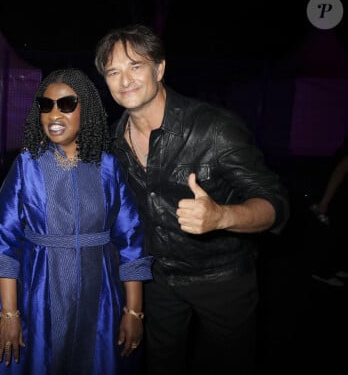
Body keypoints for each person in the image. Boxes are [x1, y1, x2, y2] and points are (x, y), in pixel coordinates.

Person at [94, 24, 290, 375]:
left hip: (222, 278)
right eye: (114, 71)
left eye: (136, 65)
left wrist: (222, 217)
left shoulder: (214, 128)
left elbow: (274, 204)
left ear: (159, 68)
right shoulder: (112, 143)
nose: (125, 79)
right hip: (158, 282)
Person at [0, 68, 154, 375]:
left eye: (66, 104)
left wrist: (134, 310)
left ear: (86, 111)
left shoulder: (109, 168)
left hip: (100, 296)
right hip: (38, 296)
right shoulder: (26, 166)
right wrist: (9, 314)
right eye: (46, 105)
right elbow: (4, 243)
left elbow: (130, 240)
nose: (54, 113)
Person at [309, 135, 348, 286]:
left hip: (339, 197)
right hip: (339, 198)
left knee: (340, 235)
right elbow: (341, 170)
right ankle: (323, 272)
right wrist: (324, 203)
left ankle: (333, 268)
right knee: (335, 235)